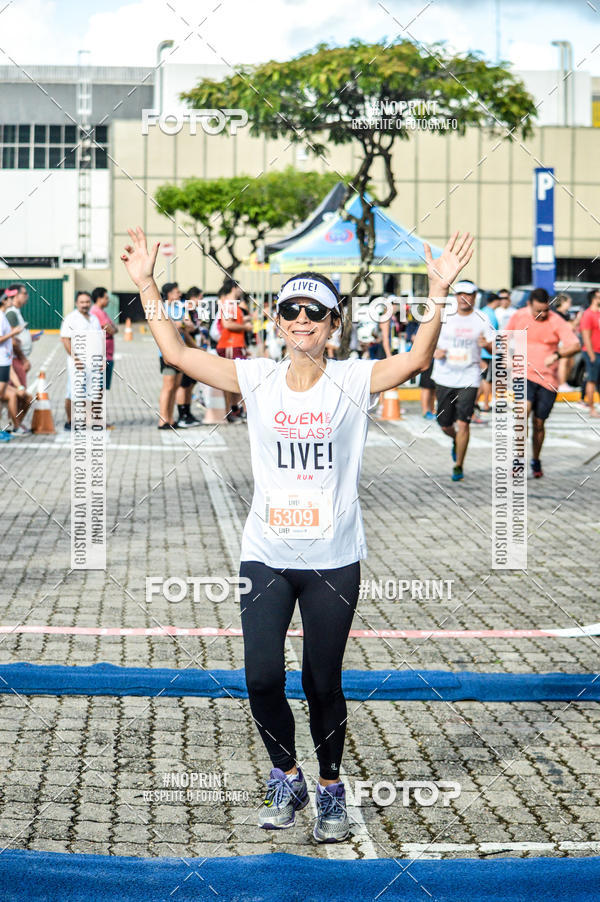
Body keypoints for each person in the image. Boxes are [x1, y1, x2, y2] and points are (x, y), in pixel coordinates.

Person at [121, 225, 474, 843]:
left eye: (315, 312)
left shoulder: (353, 379)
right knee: (261, 678)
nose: (302, 320)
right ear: (279, 322)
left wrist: (437, 292)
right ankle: (287, 775)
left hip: (334, 560)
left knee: (321, 681)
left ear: (334, 324)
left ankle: (331, 787)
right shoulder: (256, 377)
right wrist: (148, 285)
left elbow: (417, 360)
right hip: (266, 555)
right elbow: (176, 353)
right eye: (291, 311)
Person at [507, 287, 580, 477]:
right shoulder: (519, 316)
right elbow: (503, 338)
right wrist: (505, 357)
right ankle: (518, 460)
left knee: (539, 423)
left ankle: (536, 459)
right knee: (522, 413)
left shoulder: (555, 320)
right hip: (523, 373)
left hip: (548, 380)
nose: (542, 314)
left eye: (545, 310)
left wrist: (557, 355)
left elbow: (575, 345)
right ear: (529, 305)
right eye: (538, 311)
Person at [432, 280, 495, 481]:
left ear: (475, 296)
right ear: (455, 296)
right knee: (444, 424)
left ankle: (459, 465)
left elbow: (495, 347)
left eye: (468, 294)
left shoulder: (482, 318)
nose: (463, 298)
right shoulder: (444, 316)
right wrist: (435, 351)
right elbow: (427, 340)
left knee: (464, 423)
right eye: (460, 294)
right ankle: (455, 441)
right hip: (444, 375)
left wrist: (487, 345)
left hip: (470, 377)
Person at [59, 291, 102, 431]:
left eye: (87, 302)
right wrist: (75, 358)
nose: (85, 305)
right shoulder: (71, 318)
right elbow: (65, 339)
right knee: (73, 393)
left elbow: (98, 340)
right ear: (76, 303)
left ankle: (88, 420)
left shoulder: (94, 318)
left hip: (93, 362)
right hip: (77, 362)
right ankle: (70, 421)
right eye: (82, 302)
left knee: (92, 392)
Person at [216, 279, 252, 423]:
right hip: (230, 344)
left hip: (236, 345)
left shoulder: (233, 304)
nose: (241, 290)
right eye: (239, 287)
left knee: (238, 379)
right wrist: (245, 327)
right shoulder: (229, 304)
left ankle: (235, 410)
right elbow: (227, 324)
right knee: (232, 379)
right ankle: (231, 411)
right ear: (233, 288)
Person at [4, 283, 42, 393]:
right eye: (24, 293)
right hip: (15, 359)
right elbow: (11, 341)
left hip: (16, 358)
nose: (27, 296)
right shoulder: (11, 313)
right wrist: (24, 360)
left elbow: (16, 336)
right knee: (21, 395)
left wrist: (29, 338)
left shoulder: (16, 311)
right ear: (16, 295)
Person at [90, 287, 118, 427]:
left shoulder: (102, 312)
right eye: (106, 298)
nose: (108, 300)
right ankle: (96, 419)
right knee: (98, 389)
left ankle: (98, 418)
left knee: (101, 390)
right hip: (101, 356)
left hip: (108, 355)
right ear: (99, 298)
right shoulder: (96, 312)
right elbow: (110, 329)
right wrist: (111, 328)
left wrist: (112, 328)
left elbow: (114, 328)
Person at [0, 292, 26, 440]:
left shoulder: (3, 316)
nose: (12, 300)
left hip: (5, 362)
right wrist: (13, 333)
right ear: (4, 300)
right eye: (9, 298)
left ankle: (6, 428)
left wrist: (13, 337)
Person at [477, 291, 500, 414]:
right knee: (487, 380)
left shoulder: (482, 311)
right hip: (488, 352)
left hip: (483, 351)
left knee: (483, 379)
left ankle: (476, 401)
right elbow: (490, 335)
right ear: (496, 301)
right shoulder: (490, 315)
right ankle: (486, 404)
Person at [579, 288, 600, 417]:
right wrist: (591, 355)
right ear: (594, 299)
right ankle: (591, 408)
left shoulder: (598, 314)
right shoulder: (588, 315)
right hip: (593, 352)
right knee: (591, 380)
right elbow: (585, 336)